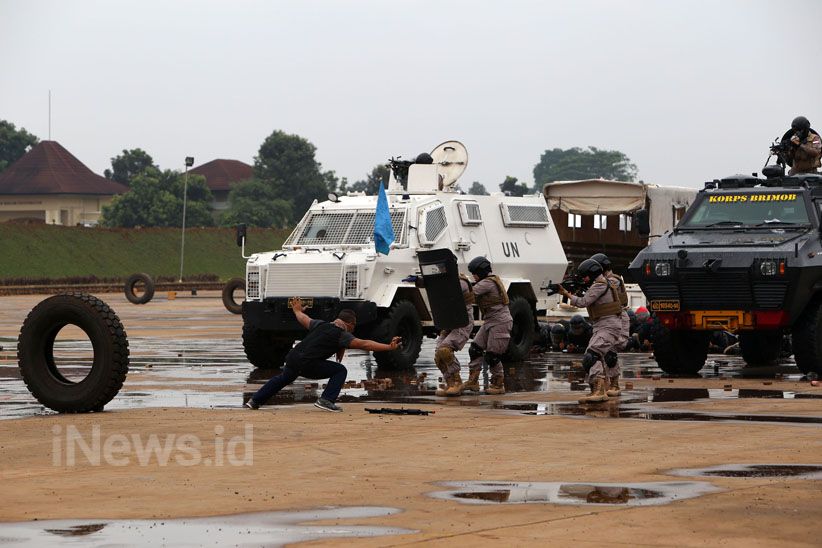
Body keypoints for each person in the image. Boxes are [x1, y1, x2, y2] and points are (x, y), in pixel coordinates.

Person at [245, 297, 402, 412]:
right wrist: (389, 347)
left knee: (283, 378)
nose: (353, 330)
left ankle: (255, 401)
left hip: (293, 357)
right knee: (340, 370)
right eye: (353, 327)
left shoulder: (321, 324)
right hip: (308, 363)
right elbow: (366, 344)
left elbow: (304, 318)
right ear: (350, 324)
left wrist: (296, 310)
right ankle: (326, 400)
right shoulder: (342, 334)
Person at [558, 259, 627, 403]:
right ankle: (597, 389)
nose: (584, 279)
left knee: (593, 355)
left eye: (585, 276)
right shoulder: (601, 284)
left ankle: (600, 389)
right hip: (604, 325)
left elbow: (583, 302)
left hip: (608, 325)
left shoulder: (600, 285)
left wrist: (566, 293)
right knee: (594, 356)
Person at [461, 256, 513, 395]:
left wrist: (459, 283)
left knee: (492, 356)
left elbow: (469, 294)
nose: (474, 276)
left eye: (475, 273)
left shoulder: (487, 283)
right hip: (490, 320)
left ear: (482, 271)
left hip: (500, 322)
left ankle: (498, 383)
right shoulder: (487, 281)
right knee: (475, 349)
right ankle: (473, 381)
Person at [589, 253, 630, 396]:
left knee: (610, 351)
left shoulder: (614, 280)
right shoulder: (602, 282)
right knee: (602, 351)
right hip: (606, 318)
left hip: (619, 317)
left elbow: (605, 287)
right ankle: (605, 382)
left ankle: (614, 383)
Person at [434, 273, 475, 396]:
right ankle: (450, 382)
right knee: (438, 355)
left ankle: (457, 382)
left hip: (463, 322)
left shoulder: (460, 281)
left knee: (444, 350)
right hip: (450, 323)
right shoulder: (445, 281)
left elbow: (452, 290)